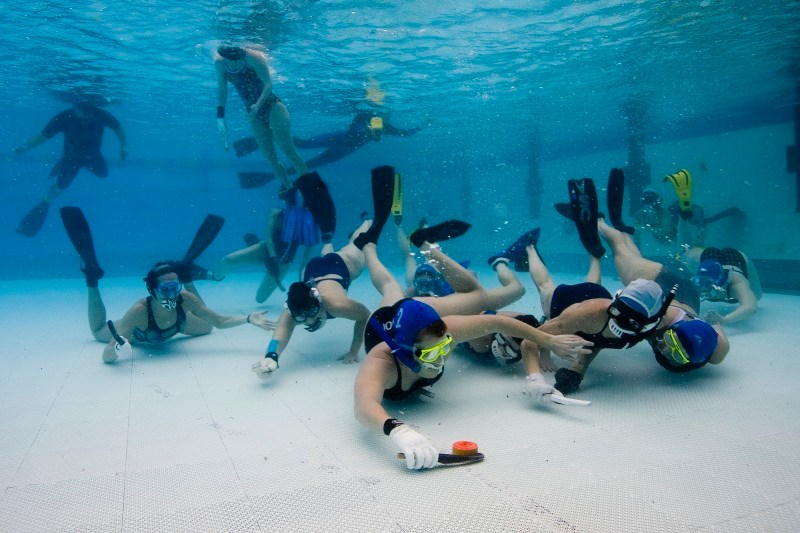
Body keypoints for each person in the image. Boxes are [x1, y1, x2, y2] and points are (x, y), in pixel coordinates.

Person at [58, 207, 274, 363]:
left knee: (207, 327)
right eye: (165, 289)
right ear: (152, 290)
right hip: (140, 332)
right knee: (97, 331)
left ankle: (186, 273)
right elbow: (106, 357)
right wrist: (117, 347)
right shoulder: (138, 312)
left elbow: (218, 320)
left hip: (177, 325)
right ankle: (91, 279)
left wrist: (248, 318)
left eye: (176, 286)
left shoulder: (185, 299)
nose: (172, 294)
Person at [250, 218, 374, 377]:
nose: (309, 320)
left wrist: (354, 351)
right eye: (301, 317)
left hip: (340, 265)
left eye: (311, 312)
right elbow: (277, 339)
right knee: (336, 251)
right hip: (312, 269)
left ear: (319, 299)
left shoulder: (336, 304)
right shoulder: (291, 312)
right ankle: (328, 242)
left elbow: (364, 316)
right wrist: (271, 358)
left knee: (358, 244)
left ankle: (366, 221)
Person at [13, 101, 127, 237]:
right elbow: (44, 136)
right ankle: (46, 200)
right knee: (61, 185)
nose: (86, 117)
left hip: (92, 155)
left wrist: (124, 146)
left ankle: (77, 166)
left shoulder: (100, 114)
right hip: (71, 157)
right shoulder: (65, 117)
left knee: (103, 173)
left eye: (89, 115)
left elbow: (117, 127)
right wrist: (26, 147)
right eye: (83, 114)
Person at [215, 44, 307, 190]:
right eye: (229, 59)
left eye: (236, 58)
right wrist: (220, 116)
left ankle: (307, 189)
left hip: (272, 106)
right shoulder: (219, 62)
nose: (233, 62)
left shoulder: (254, 57)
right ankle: (290, 190)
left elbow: (268, 83)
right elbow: (222, 89)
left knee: (288, 150)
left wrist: (258, 104)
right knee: (271, 158)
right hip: (252, 113)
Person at [218, 208, 307, 303]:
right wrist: (272, 257)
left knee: (260, 299)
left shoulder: (303, 226)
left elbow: (306, 258)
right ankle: (218, 277)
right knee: (227, 260)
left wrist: (303, 284)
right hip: (265, 250)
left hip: (283, 263)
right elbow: (269, 237)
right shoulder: (274, 213)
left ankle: (254, 245)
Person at [633, 188, 744, 250]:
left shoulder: (666, 212)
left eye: (651, 200)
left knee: (683, 213)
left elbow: (664, 228)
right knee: (683, 214)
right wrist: (636, 254)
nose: (650, 204)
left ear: (658, 201)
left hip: (671, 233)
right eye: (647, 201)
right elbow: (637, 234)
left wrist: (644, 227)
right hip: (664, 238)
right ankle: (701, 221)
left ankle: (701, 221)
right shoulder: (640, 214)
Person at [682, 246, 763, 325]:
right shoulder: (697, 280)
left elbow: (751, 307)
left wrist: (724, 320)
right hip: (709, 256)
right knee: (688, 255)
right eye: (701, 281)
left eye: (708, 282)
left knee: (757, 296)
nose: (704, 287)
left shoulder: (736, 282)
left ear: (721, 281)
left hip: (736, 258)